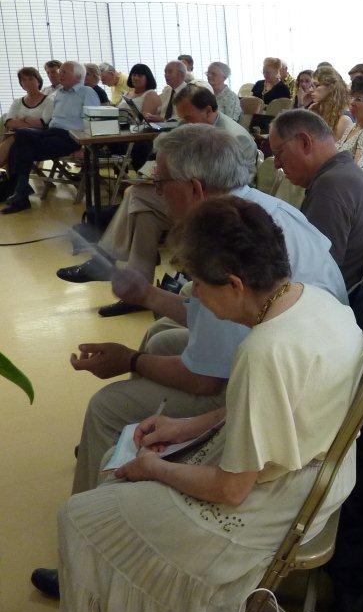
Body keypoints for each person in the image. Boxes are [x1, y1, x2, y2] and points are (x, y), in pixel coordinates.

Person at [50, 196, 363, 612]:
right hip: (319, 470)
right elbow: (283, 407)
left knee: (80, 516)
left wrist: (153, 468)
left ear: (235, 285)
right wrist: (189, 426)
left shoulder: (263, 350)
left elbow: (231, 490)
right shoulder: (314, 299)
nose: (194, 294)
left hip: (279, 502)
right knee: (117, 459)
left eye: (198, 284)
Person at [59, 125, 346, 501]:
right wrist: (145, 294)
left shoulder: (223, 244)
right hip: (310, 351)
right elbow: (206, 312)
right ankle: (122, 446)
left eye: (161, 183)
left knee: (105, 405)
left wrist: (128, 358)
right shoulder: (254, 210)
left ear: (194, 188)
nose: (156, 193)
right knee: (161, 338)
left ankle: (99, 502)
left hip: (283, 379)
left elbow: (205, 381)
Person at [56, 87, 259, 315]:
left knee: (136, 195)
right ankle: (137, 288)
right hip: (196, 196)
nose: (184, 123)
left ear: (209, 111)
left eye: (188, 117)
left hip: (226, 210)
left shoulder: (235, 136)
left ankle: (105, 262)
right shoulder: (196, 129)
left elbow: (235, 186)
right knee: (144, 212)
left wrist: (168, 181)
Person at [271, 109, 363, 288]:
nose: (276, 163)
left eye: (279, 153)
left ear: (305, 142)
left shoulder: (331, 186)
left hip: (340, 302)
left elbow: (314, 275)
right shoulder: (343, 172)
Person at [2, 61, 98, 215]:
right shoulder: (59, 93)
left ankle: (20, 194)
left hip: (71, 137)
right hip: (52, 134)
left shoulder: (87, 92)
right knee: (21, 145)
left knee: (21, 138)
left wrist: (84, 147)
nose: (60, 74)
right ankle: (21, 195)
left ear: (78, 76)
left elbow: (92, 122)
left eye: (64, 72)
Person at [1, 67, 54, 173]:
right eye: (23, 80)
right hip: (19, 138)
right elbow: (9, 122)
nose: (27, 82)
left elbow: (42, 124)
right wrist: (31, 122)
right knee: (15, 145)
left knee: (12, 142)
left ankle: (15, 185)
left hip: (39, 138)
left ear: (38, 80)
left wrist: (23, 118)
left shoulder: (49, 100)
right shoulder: (17, 101)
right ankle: (19, 185)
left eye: (30, 79)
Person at [336, 74, 363, 160]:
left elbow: (358, 169)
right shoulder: (351, 127)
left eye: (358, 99)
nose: (352, 102)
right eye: (351, 97)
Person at [310, 65, 353, 139]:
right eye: (311, 86)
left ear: (331, 87)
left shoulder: (344, 120)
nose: (311, 90)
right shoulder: (316, 110)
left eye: (316, 85)